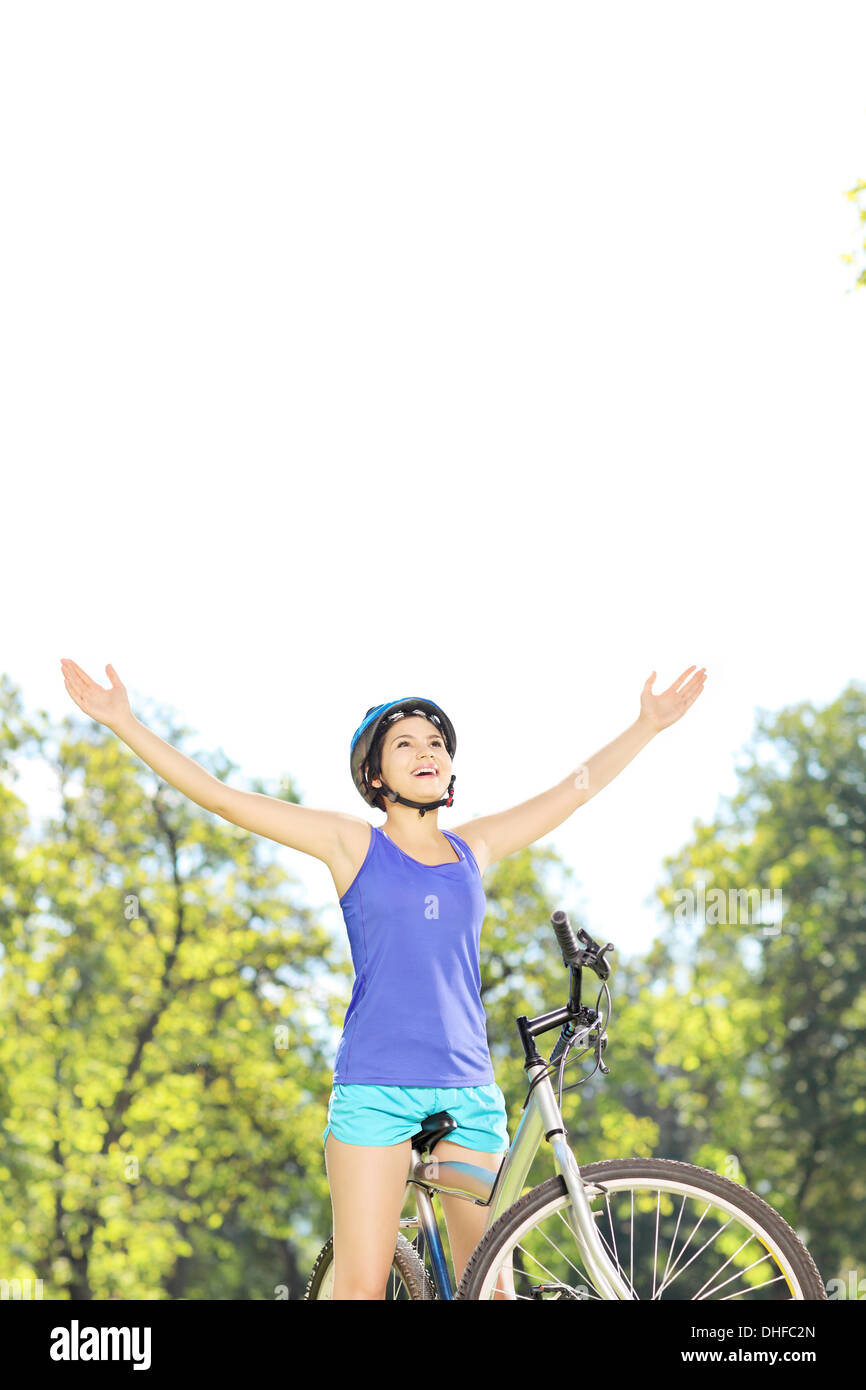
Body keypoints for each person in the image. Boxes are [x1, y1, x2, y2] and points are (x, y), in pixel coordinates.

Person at [59, 659, 707, 1300]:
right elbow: (226, 799)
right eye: (406, 744)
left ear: (450, 768)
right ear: (374, 772)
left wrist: (646, 725)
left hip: (469, 1089)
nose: (426, 752)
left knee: (495, 1289)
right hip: (375, 1090)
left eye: (436, 744)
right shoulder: (352, 844)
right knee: (362, 1289)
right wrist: (125, 722)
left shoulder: (471, 848)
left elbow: (574, 790)